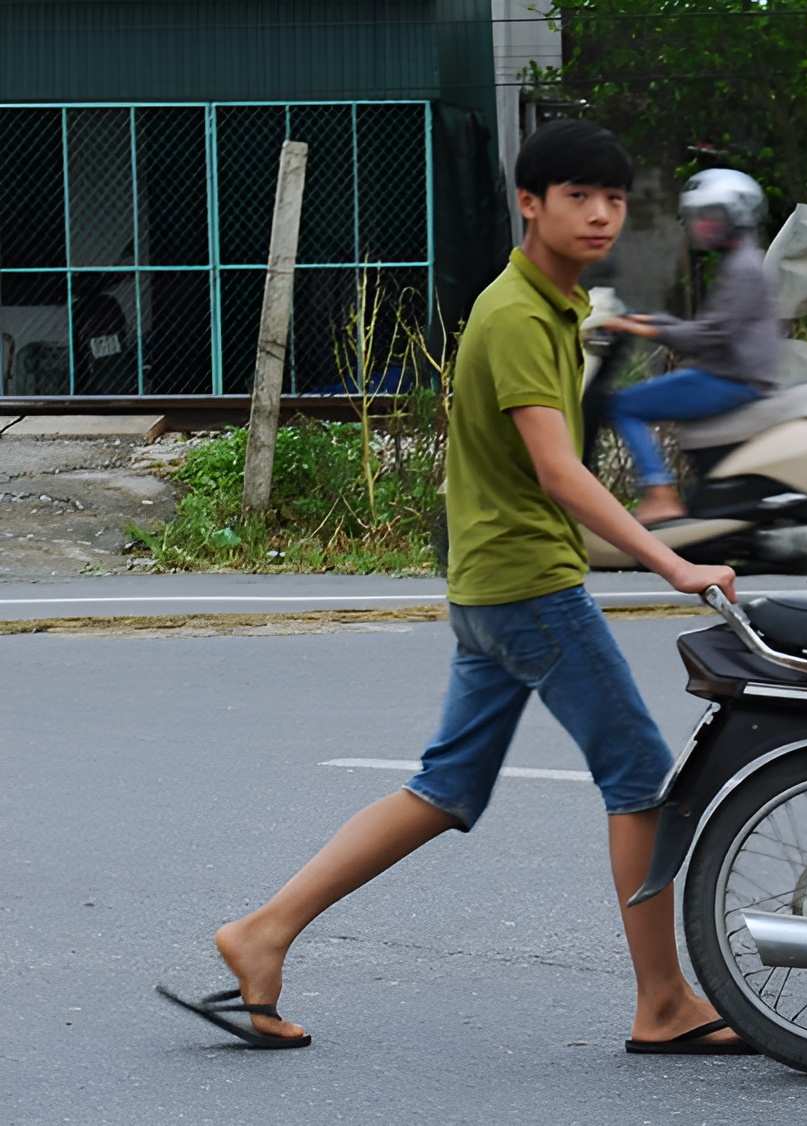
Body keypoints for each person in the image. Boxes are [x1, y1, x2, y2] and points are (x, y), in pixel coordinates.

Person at [158, 120, 752, 1056]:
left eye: (614, 201)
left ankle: (262, 934)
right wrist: (671, 560)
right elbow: (558, 470)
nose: (600, 215)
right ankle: (665, 1002)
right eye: (576, 198)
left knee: (447, 785)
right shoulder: (518, 316)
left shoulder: (548, 304)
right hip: (528, 585)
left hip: (494, 582)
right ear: (530, 203)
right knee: (641, 777)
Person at [601, 168, 782, 524]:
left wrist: (647, 329)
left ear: (736, 216)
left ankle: (659, 492)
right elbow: (707, 329)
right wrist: (644, 320)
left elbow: (707, 336)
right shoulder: (739, 262)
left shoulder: (744, 268)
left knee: (622, 406)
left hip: (731, 380)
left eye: (711, 217)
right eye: (699, 218)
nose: (701, 226)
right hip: (727, 374)